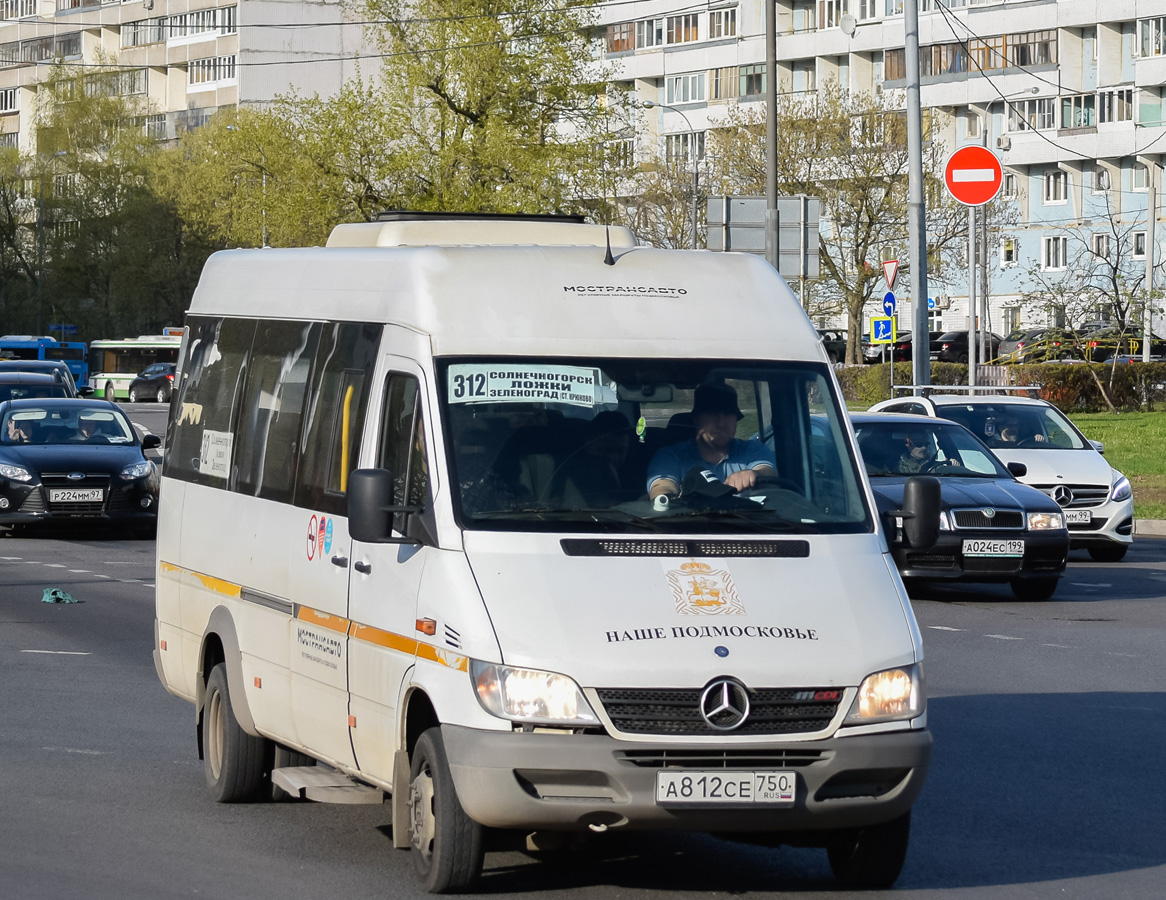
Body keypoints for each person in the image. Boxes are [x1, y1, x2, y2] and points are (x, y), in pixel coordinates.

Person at [646, 383, 776, 499]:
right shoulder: (670, 456)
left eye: (728, 414)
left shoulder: (753, 449)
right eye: (712, 413)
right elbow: (663, 488)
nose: (721, 423)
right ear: (696, 419)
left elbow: (768, 473)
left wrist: (755, 475)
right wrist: (667, 496)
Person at [561, 411, 632, 507]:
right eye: (606, 450)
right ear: (588, 443)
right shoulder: (566, 475)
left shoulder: (639, 473)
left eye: (620, 451)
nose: (613, 458)